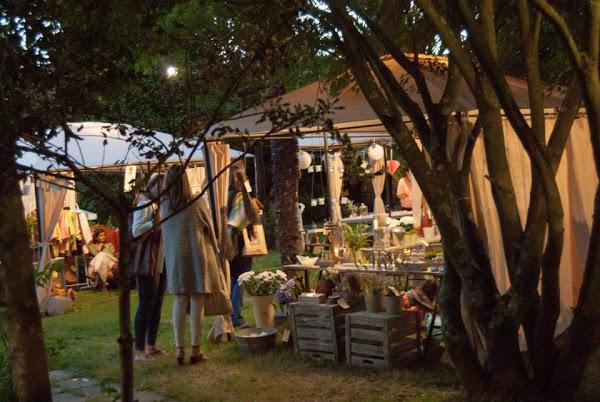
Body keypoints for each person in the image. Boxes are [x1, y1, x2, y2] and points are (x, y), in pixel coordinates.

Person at [161, 165, 223, 366]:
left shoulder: (164, 206)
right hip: (197, 254)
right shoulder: (196, 202)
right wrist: (217, 249)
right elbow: (210, 229)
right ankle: (196, 349)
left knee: (179, 300)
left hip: (175, 258)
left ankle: (179, 350)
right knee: (197, 300)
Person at [131, 173, 167, 362]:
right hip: (147, 261)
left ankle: (151, 345)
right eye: (159, 186)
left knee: (157, 303)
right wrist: (155, 222)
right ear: (151, 186)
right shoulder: (145, 204)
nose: (162, 190)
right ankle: (139, 349)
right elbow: (136, 230)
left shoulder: (158, 204)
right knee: (146, 304)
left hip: (160, 260)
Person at [226, 163, 259, 328]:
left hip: (229, 242)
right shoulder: (240, 196)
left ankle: (231, 315)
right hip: (241, 242)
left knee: (233, 279)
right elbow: (241, 221)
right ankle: (236, 317)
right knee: (240, 280)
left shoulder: (225, 196)